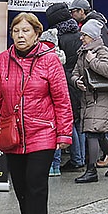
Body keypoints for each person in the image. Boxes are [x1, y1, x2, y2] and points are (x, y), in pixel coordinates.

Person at [0, 12, 73, 214]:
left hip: (42, 131)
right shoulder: (4, 60)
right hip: (12, 134)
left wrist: (64, 133)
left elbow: (62, 100)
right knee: (20, 187)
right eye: (16, 31)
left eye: (25, 31)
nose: (20, 36)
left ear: (36, 34)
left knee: (36, 184)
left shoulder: (49, 60)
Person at [70, 19, 108, 183]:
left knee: (92, 133)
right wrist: (75, 81)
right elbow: (74, 73)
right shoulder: (83, 52)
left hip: (100, 99)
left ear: (92, 37)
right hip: (88, 98)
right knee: (99, 135)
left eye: (85, 35)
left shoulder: (101, 51)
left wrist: (92, 61)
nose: (82, 38)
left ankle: (91, 170)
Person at [45, 2, 84, 175]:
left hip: (65, 80)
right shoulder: (80, 34)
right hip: (80, 80)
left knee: (68, 122)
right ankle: (81, 158)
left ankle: (76, 159)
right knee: (79, 120)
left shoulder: (56, 38)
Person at [39, 27, 67, 177]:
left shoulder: (44, 57)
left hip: (46, 106)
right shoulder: (59, 55)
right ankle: (56, 166)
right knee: (56, 139)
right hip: (54, 105)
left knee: (48, 141)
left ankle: (50, 167)